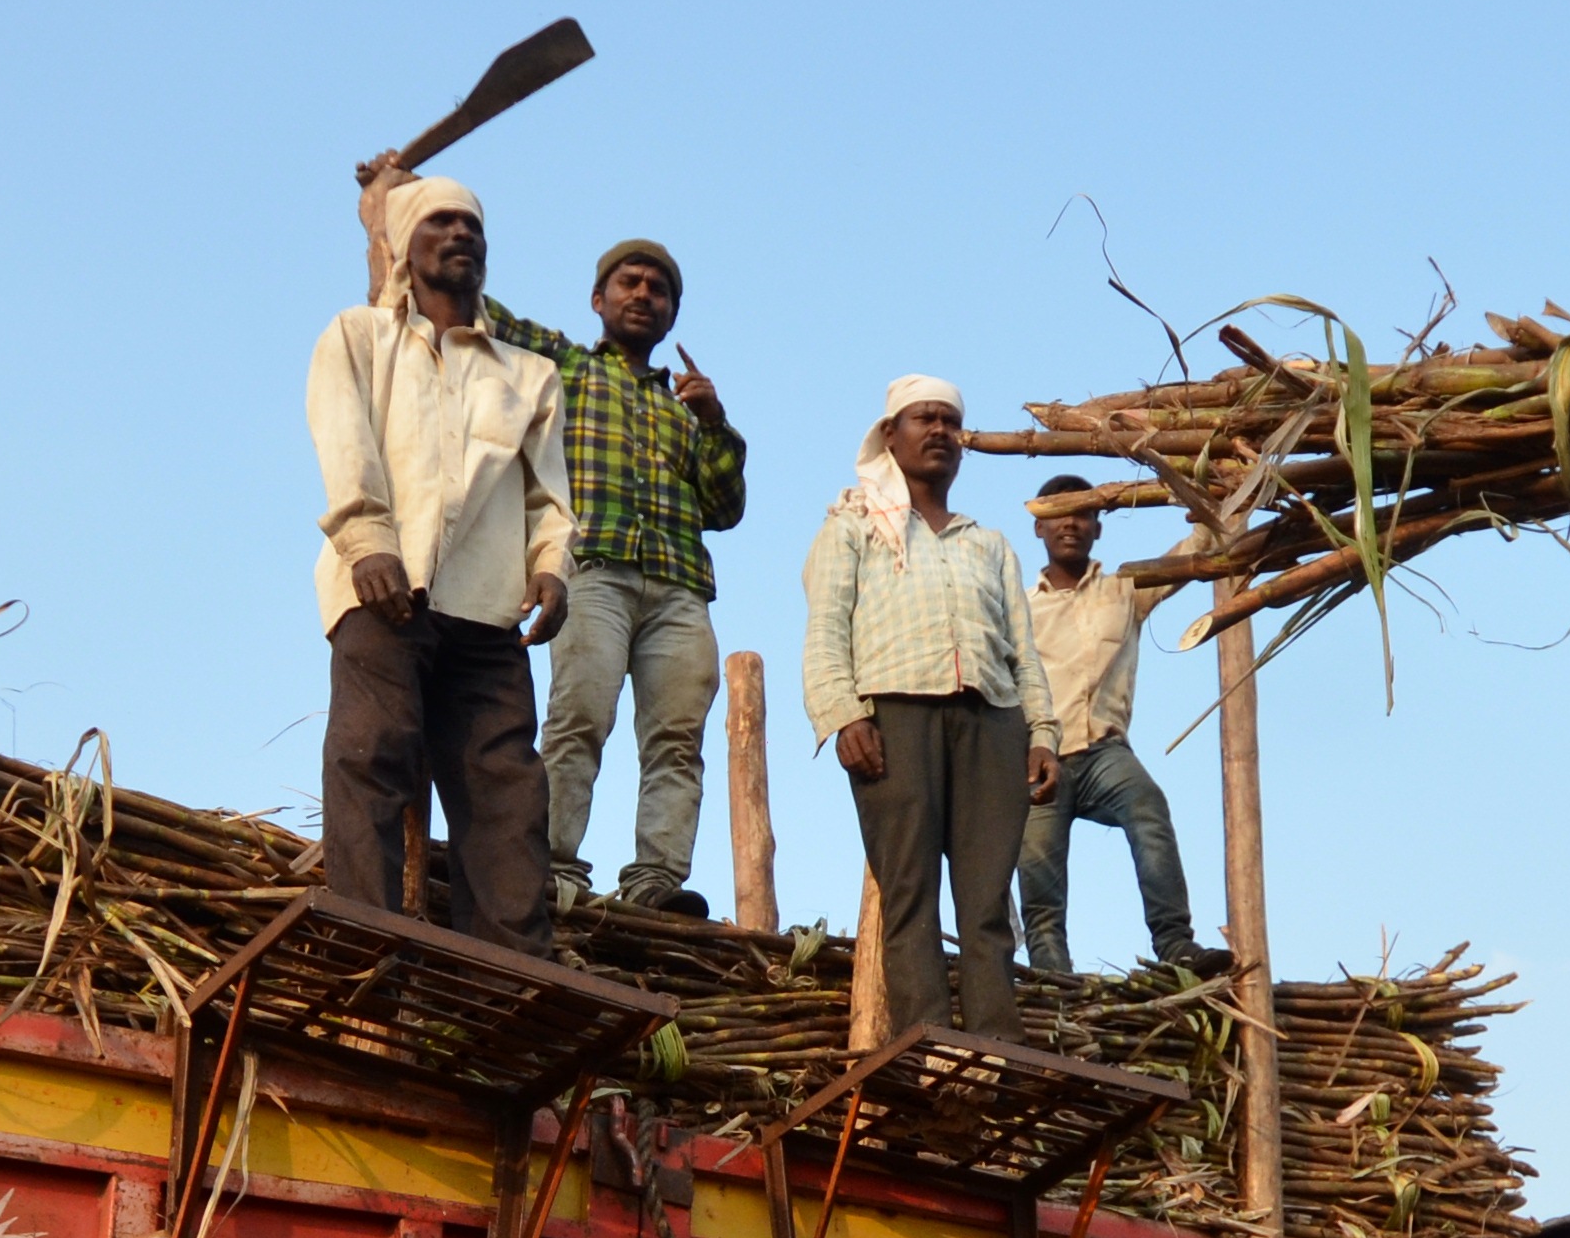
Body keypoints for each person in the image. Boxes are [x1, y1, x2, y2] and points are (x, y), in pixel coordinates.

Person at [356, 163, 751, 912]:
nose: (643, 294)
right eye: (628, 283)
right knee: (578, 719)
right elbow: (467, 299)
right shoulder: (559, 363)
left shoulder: (685, 408)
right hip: (593, 570)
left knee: (676, 741)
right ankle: (558, 870)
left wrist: (715, 422)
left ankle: (656, 884)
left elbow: (726, 507)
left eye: (657, 289)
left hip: (678, 590)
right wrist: (403, 205)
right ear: (598, 301)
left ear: (671, 315)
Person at [303, 174, 569, 955]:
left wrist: (553, 568)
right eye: (439, 224)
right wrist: (368, 544)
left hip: (488, 613)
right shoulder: (359, 337)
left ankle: (516, 969)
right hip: (383, 592)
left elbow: (548, 499)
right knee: (372, 758)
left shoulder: (529, 375)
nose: (460, 237)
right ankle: (368, 949)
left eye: (471, 227)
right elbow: (346, 446)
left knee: (507, 792)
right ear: (404, 251)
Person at [803, 379, 1056, 1038]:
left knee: (987, 898)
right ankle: (927, 1039)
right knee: (910, 891)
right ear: (891, 435)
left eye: (950, 421)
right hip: (894, 716)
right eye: (924, 419)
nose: (939, 431)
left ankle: (996, 1038)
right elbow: (826, 629)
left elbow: (1024, 653)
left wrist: (1043, 734)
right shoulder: (853, 525)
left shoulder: (988, 543)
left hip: (992, 720)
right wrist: (843, 715)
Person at [1014, 475, 1217, 979]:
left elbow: (1193, 555)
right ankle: (1054, 978)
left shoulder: (1124, 588)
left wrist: (1207, 503)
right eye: (1059, 513)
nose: (1070, 523)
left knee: (1149, 808)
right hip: (1041, 756)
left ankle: (1175, 944)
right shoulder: (1018, 607)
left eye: (1082, 513)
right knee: (1039, 879)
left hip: (1105, 753)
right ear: (1038, 526)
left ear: (1098, 528)